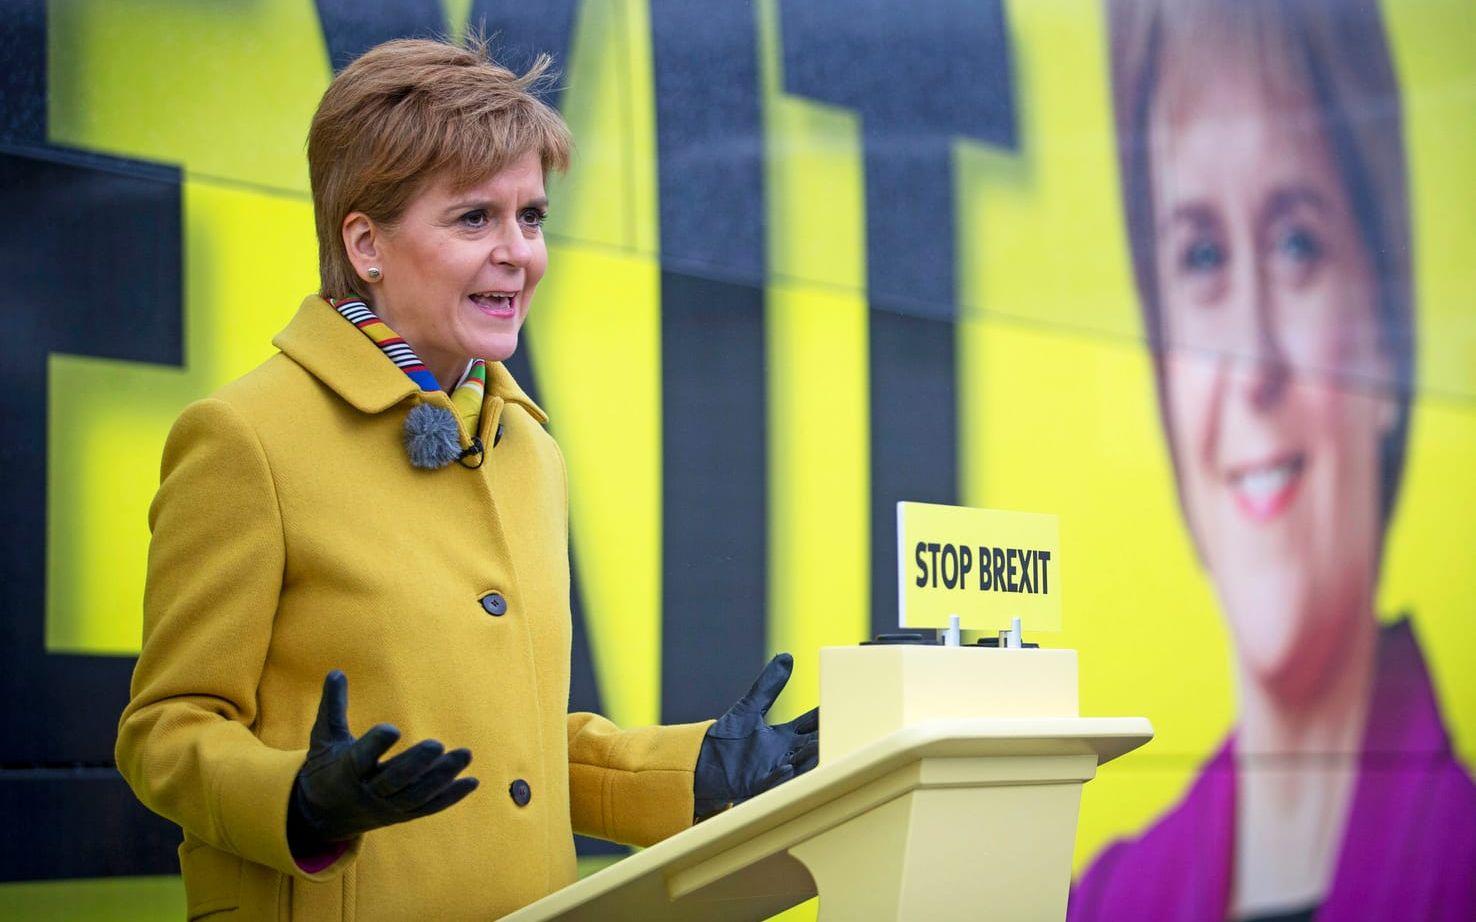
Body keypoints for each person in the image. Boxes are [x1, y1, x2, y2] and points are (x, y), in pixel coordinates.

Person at [115, 37, 818, 920]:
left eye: (532, 216)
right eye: (474, 218)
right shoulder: (243, 439)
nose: (517, 253)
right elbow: (165, 732)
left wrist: (696, 771)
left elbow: (509, 752)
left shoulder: (527, 448)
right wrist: (298, 799)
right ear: (365, 244)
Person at [1069, 1, 1476, 919]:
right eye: (1202, 256)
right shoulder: (1103, 903)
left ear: (1386, 348)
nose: (1251, 364)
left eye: (1298, 244)